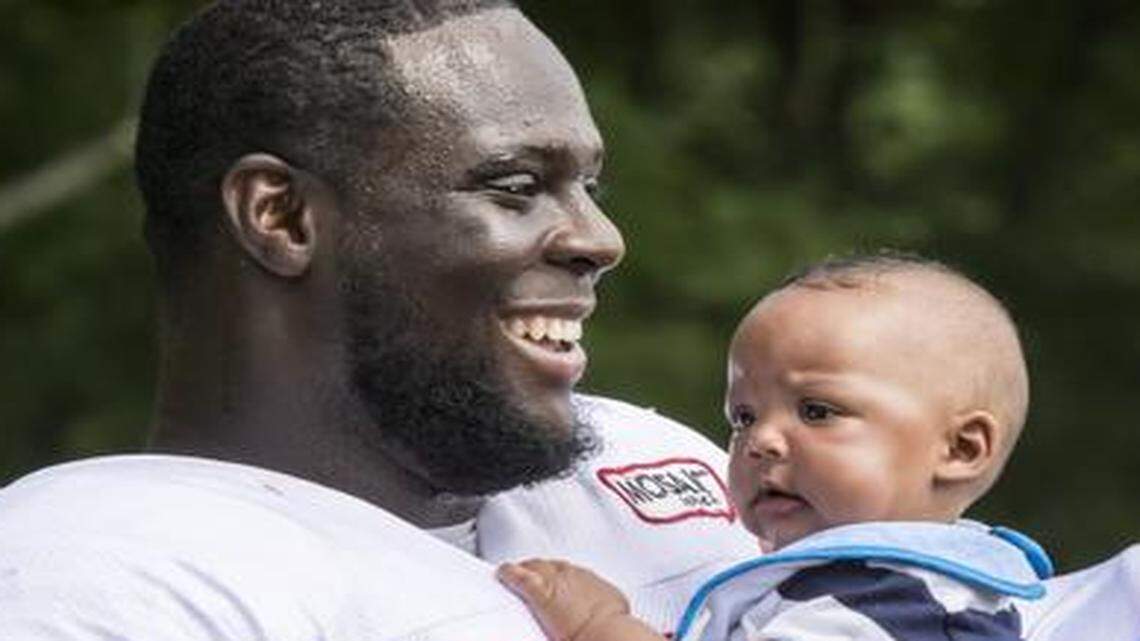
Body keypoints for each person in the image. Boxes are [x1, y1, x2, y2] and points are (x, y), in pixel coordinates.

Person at [0, 1, 755, 639]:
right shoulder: (99, 581)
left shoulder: (674, 460)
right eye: (517, 186)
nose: (600, 239)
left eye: (590, 186)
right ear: (282, 215)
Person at [498, 254, 1060, 641]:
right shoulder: (876, 587)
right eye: (743, 416)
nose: (761, 441)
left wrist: (600, 624)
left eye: (818, 411)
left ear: (961, 449)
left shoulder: (892, 610)